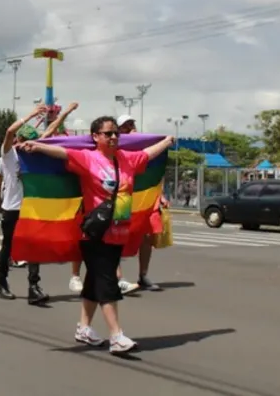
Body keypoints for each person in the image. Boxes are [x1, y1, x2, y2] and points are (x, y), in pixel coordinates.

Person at [20, 116, 172, 354]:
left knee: (94, 281)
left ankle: (84, 328)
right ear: (95, 137)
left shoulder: (127, 159)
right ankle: (116, 335)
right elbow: (63, 153)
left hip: (118, 231)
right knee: (107, 282)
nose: (113, 137)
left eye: (115, 134)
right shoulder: (88, 158)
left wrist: (166, 141)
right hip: (95, 233)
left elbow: (148, 154)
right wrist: (37, 146)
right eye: (107, 133)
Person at [0, 105, 50, 305]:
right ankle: (1, 283)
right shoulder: (9, 156)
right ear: (18, 140)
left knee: (34, 247)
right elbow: (9, 131)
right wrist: (32, 114)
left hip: (31, 208)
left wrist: (62, 114)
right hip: (12, 209)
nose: (28, 145)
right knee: (8, 247)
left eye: (31, 141)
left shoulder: (35, 156)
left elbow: (51, 135)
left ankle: (33, 287)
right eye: (25, 141)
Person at [116, 114, 166, 292]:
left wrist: (161, 194)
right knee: (116, 236)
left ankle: (143, 275)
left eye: (132, 124)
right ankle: (118, 278)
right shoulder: (115, 147)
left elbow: (156, 172)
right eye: (126, 125)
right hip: (121, 197)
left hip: (143, 199)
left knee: (146, 237)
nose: (131, 127)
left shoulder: (145, 145)